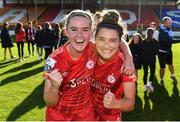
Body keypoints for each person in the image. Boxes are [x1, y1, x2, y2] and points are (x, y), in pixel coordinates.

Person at [43, 9, 134, 121]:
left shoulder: (96, 49)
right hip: (59, 116)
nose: (79, 35)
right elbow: (49, 102)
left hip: (86, 115)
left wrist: (129, 58)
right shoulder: (53, 60)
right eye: (74, 29)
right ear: (66, 32)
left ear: (91, 33)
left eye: (85, 30)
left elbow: (113, 37)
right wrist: (54, 87)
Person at [91, 20, 136, 121]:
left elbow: (131, 103)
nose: (106, 46)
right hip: (85, 113)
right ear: (95, 40)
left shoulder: (126, 66)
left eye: (112, 40)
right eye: (102, 39)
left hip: (109, 116)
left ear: (119, 43)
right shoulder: (87, 52)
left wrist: (117, 103)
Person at [158, 16, 177, 86]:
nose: (170, 24)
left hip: (169, 51)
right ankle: (162, 80)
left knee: (171, 64)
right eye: (169, 22)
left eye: (170, 22)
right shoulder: (162, 30)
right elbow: (169, 40)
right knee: (162, 67)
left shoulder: (169, 29)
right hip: (162, 52)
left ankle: (173, 75)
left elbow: (171, 40)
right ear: (164, 23)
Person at [140, 28, 159, 93]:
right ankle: (149, 83)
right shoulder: (156, 42)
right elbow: (156, 52)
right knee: (152, 72)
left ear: (146, 33)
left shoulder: (142, 41)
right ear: (153, 33)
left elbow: (141, 52)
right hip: (152, 59)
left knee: (145, 73)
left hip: (144, 60)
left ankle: (145, 86)